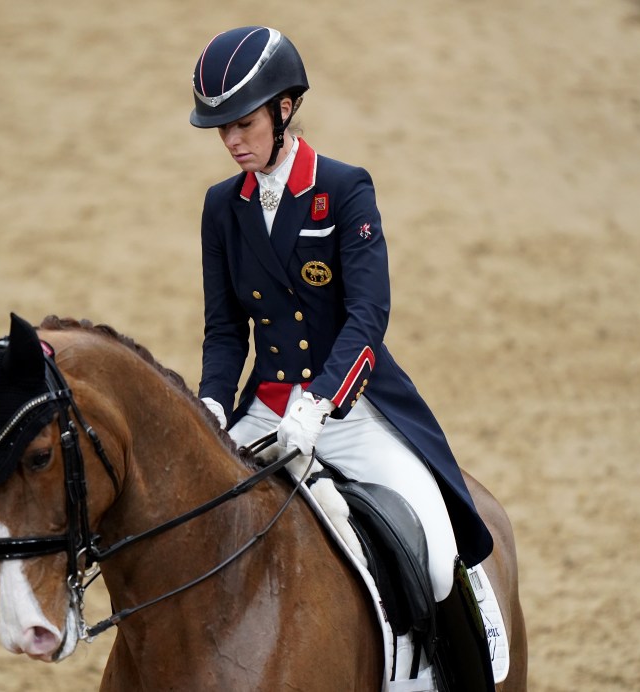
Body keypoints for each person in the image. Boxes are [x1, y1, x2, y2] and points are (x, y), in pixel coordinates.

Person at [190, 26, 494, 607]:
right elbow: (226, 329)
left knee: (433, 556)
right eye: (221, 128)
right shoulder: (221, 207)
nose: (231, 140)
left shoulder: (344, 187)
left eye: (243, 123)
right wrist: (210, 403)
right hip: (265, 411)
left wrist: (322, 400)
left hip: (345, 410)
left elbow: (367, 314)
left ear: (284, 109)